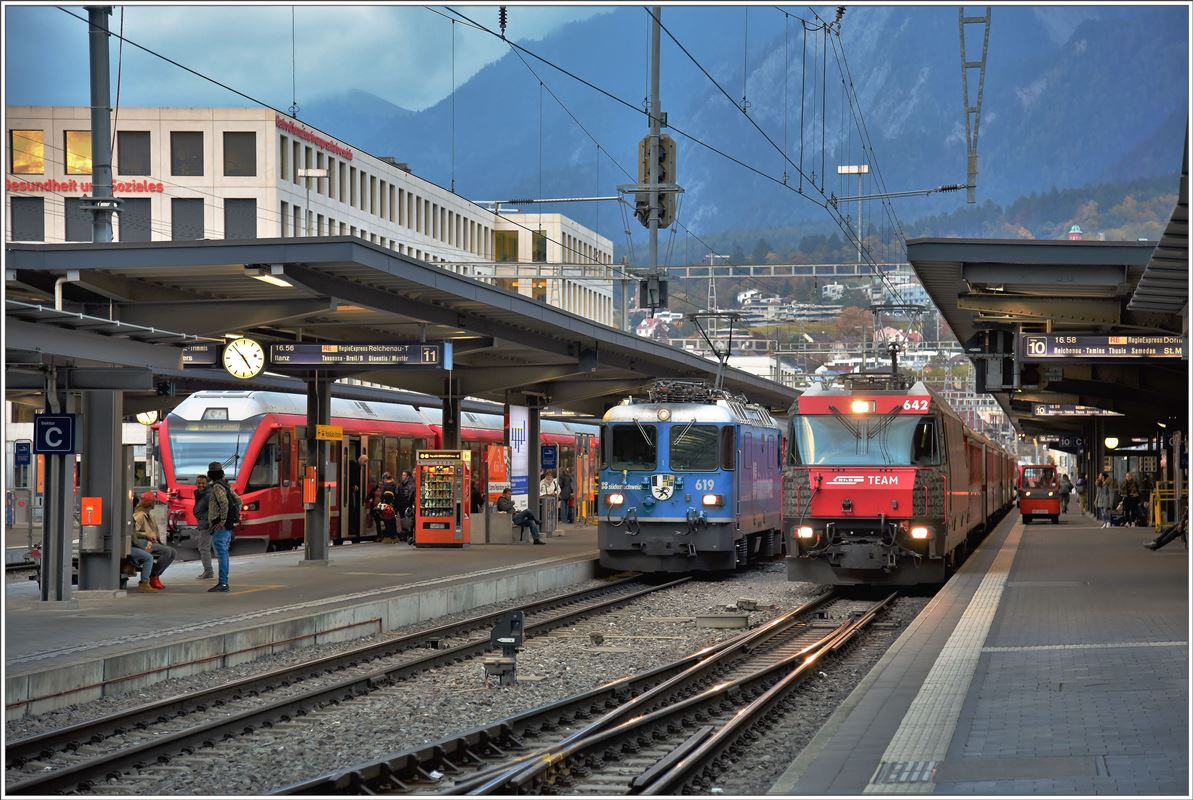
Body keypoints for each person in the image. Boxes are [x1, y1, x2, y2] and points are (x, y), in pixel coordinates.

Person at [132, 491, 176, 591]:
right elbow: (134, 533)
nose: (154, 504)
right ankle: (153, 576)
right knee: (167, 551)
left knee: (173, 552)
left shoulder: (148, 515)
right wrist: (146, 536)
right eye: (153, 502)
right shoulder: (140, 516)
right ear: (147, 502)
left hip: (151, 542)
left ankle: (156, 576)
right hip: (144, 544)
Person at [206, 461, 235, 592]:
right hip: (227, 527)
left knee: (221, 555)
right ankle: (224, 582)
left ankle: (223, 583)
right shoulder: (226, 486)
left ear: (210, 474)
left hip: (219, 526)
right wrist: (231, 518)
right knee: (225, 554)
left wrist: (222, 520)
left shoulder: (217, 487)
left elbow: (223, 502)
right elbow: (238, 500)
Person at [193, 474, 215, 580]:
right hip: (203, 523)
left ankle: (208, 571)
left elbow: (213, 509)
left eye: (203, 483)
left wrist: (204, 519)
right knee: (204, 548)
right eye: (198, 483)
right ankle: (208, 570)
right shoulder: (201, 493)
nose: (200, 485)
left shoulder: (208, 495)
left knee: (203, 548)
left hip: (206, 525)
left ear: (207, 484)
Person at [540, 470, 560, 535]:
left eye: (550, 476)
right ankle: (545, 527)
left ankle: (552, 526)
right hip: (544, 499)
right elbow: (539, 491)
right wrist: (545, 494)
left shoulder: (554, 482)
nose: (549, 477)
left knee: (552, 513)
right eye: (548, 476)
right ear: (545, 476)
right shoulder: (542, 482)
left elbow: (559, 490)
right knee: (545, 514)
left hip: (552, 499)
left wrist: (555, 493)